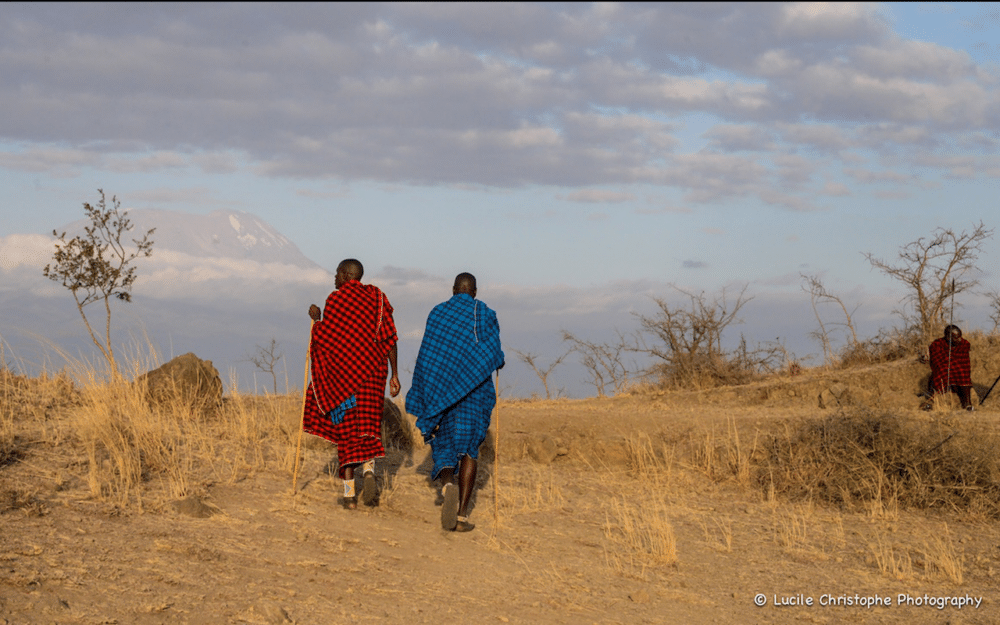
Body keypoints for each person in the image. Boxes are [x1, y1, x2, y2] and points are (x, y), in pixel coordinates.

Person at [406, 273, 504, 532]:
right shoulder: (484, 313)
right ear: (475, 291)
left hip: (442, 394)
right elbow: (495, 353)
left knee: (443, 442)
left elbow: (428, 354)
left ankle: (448, 484)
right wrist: (497, 360)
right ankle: (461, 515)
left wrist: (426, 392)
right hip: (474, 395)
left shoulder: (438, 313)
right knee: (471, 449)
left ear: (453, 290)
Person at [303, 259, 400, 508]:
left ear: (346, 276)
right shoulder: (377, 298)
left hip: (344, 381)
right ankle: (368, 472)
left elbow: (329, 340)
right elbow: (389, 338)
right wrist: (395, 375)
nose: (334, 279)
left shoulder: (336, 300)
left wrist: (317, 320)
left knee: (346, 432)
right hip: (372, 376)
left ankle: (349, 496)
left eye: (336, 274)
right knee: (368, 426)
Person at [920, 324, 974, 411]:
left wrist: (953, 363)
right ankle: (932, 401)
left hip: (958, 371)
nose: (959, 339)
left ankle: (967, 404)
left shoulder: (964, 344)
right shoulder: (937, 345)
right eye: (956, 337)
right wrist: (949, 362)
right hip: (945, 370)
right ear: (948, 338)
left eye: (960, 336)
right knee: (942, 371)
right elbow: (937, 363)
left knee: (963, 373)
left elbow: (964, 363)